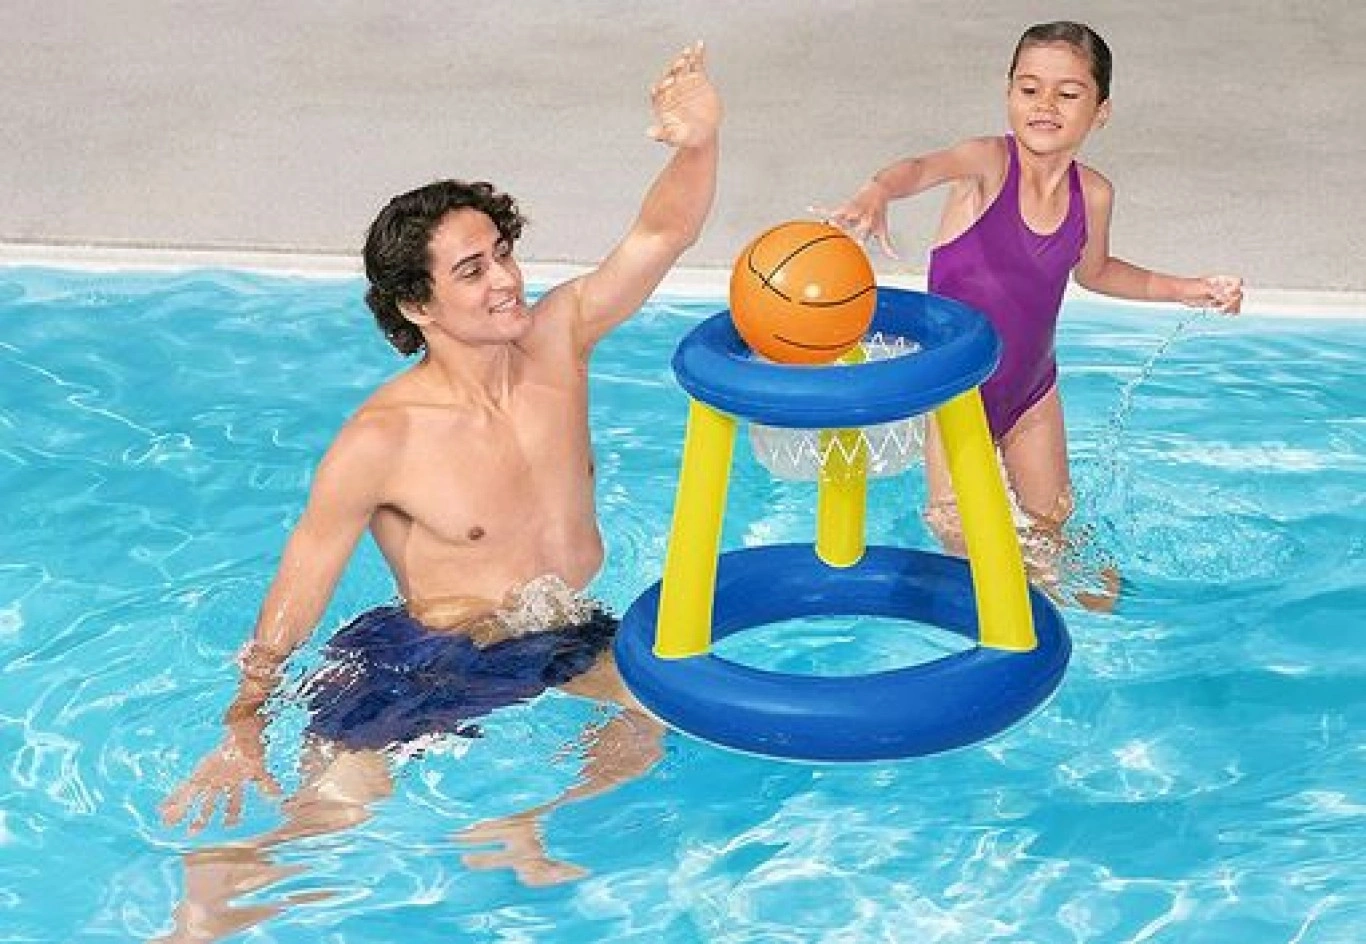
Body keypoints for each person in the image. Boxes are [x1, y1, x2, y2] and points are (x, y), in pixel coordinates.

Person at [155, 42, 720, 938]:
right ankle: (219, 888)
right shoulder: (382, 439)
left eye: (502, 253)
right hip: (427, 656)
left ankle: (527, 824)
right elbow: (302, 582)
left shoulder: (560, 341)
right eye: (472, 271)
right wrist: (244, 722)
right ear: (417, 307)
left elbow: (663, 235)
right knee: (343, 815)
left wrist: (697, 145)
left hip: (558, 630)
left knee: (662, 708)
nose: (506, 281)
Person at [816, 21, 1242, 603]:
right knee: (957, 532)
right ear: (1009, 92)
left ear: (1101, 111)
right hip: (958, 391)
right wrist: (877, 192)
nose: (1045, 105)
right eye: (1029, 88)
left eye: (1068, 93)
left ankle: (1102, 631)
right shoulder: (987, 164)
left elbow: (1096, 271)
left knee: (1053, 532)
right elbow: (917, 167)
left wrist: (1186, 288)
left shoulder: (1093, 194)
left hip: (1032, 392)